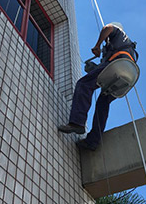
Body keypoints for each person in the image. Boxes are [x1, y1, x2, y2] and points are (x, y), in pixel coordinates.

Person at [58, 22, 138, 150]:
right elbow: (102, 73)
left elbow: (107, 28)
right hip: (126, 75)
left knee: (84, 84)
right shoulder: (119, 46)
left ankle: (77, 122)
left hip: (118, 66)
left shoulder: (117, 31)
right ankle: (92, 141)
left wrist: (97, 45)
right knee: (102, 103)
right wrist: (93, 68)